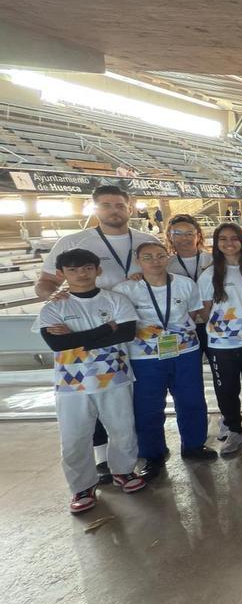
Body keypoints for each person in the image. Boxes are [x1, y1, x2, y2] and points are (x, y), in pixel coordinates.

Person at [36, 186, 160, 484]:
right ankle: (101, 462)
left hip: (140, 336)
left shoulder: (147, 241)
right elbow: (46, 283)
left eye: (119, 205)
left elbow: (159, 278)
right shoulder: (72, 242)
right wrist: (56, 299)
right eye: (106, 205)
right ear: (94, 208)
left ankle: (133, 460)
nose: (113, 210)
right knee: (83, 417)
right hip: (90, 348)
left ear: (130, 207)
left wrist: (87, 336)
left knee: (126, 408)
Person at [40, 249, 145, 514]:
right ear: (61, 274)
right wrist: (104, 329)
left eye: (87, 268)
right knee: (74, 436)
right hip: (72, 383)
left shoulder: (116, 300)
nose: (82, 274)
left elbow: (125, 334)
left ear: (98, 270)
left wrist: (76, 338)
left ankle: (123, 471)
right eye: (73, 270)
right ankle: (82, 487)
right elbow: (57, 344)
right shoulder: (54, 307)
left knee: (122, 429)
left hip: (115, 377)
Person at [114, 241, 213, 476]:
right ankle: (152, 454)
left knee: (191, 399)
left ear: (168, 257)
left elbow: (191, 314)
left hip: (185, 353)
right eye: (147, 257)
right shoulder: (125, 290)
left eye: (160, 255)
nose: (155, 261)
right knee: (148, 405)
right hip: (144, 357)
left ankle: (194, 445)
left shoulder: (185, 284)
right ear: (138, 261)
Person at [199, 223, 242, 456]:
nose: (229, 243)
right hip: (222, 345)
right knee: (226, 390)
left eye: (234, 238)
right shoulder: (209, 275)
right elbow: (205, 311)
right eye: (223, 238)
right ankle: (234, 430)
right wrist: (223, 331)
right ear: (216, 243)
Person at [165, 213, 212, 284]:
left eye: (189, 234)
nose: (184, 238)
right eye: (178, 234)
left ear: (198, 236)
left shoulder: (212, 260)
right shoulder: (166, 265)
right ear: (169, 236)